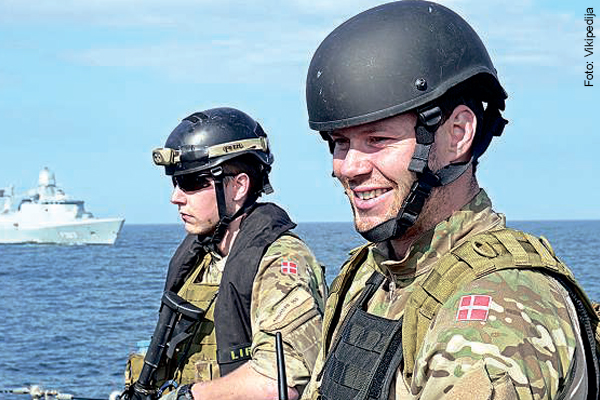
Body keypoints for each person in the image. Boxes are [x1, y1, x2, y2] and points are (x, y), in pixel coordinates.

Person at [301, 1, 599, 399]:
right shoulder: (371, 277)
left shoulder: (500, 309)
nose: (348, 167)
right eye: (340, 142)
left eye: (377, 140)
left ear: (457, 134)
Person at [125, 107, 327, 400]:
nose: (176, 197)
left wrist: (187, 397)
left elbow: (278, 383)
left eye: (192, 183)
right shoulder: (201, 258)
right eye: (176, 182)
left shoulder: (279, 261)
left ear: (239, 186)